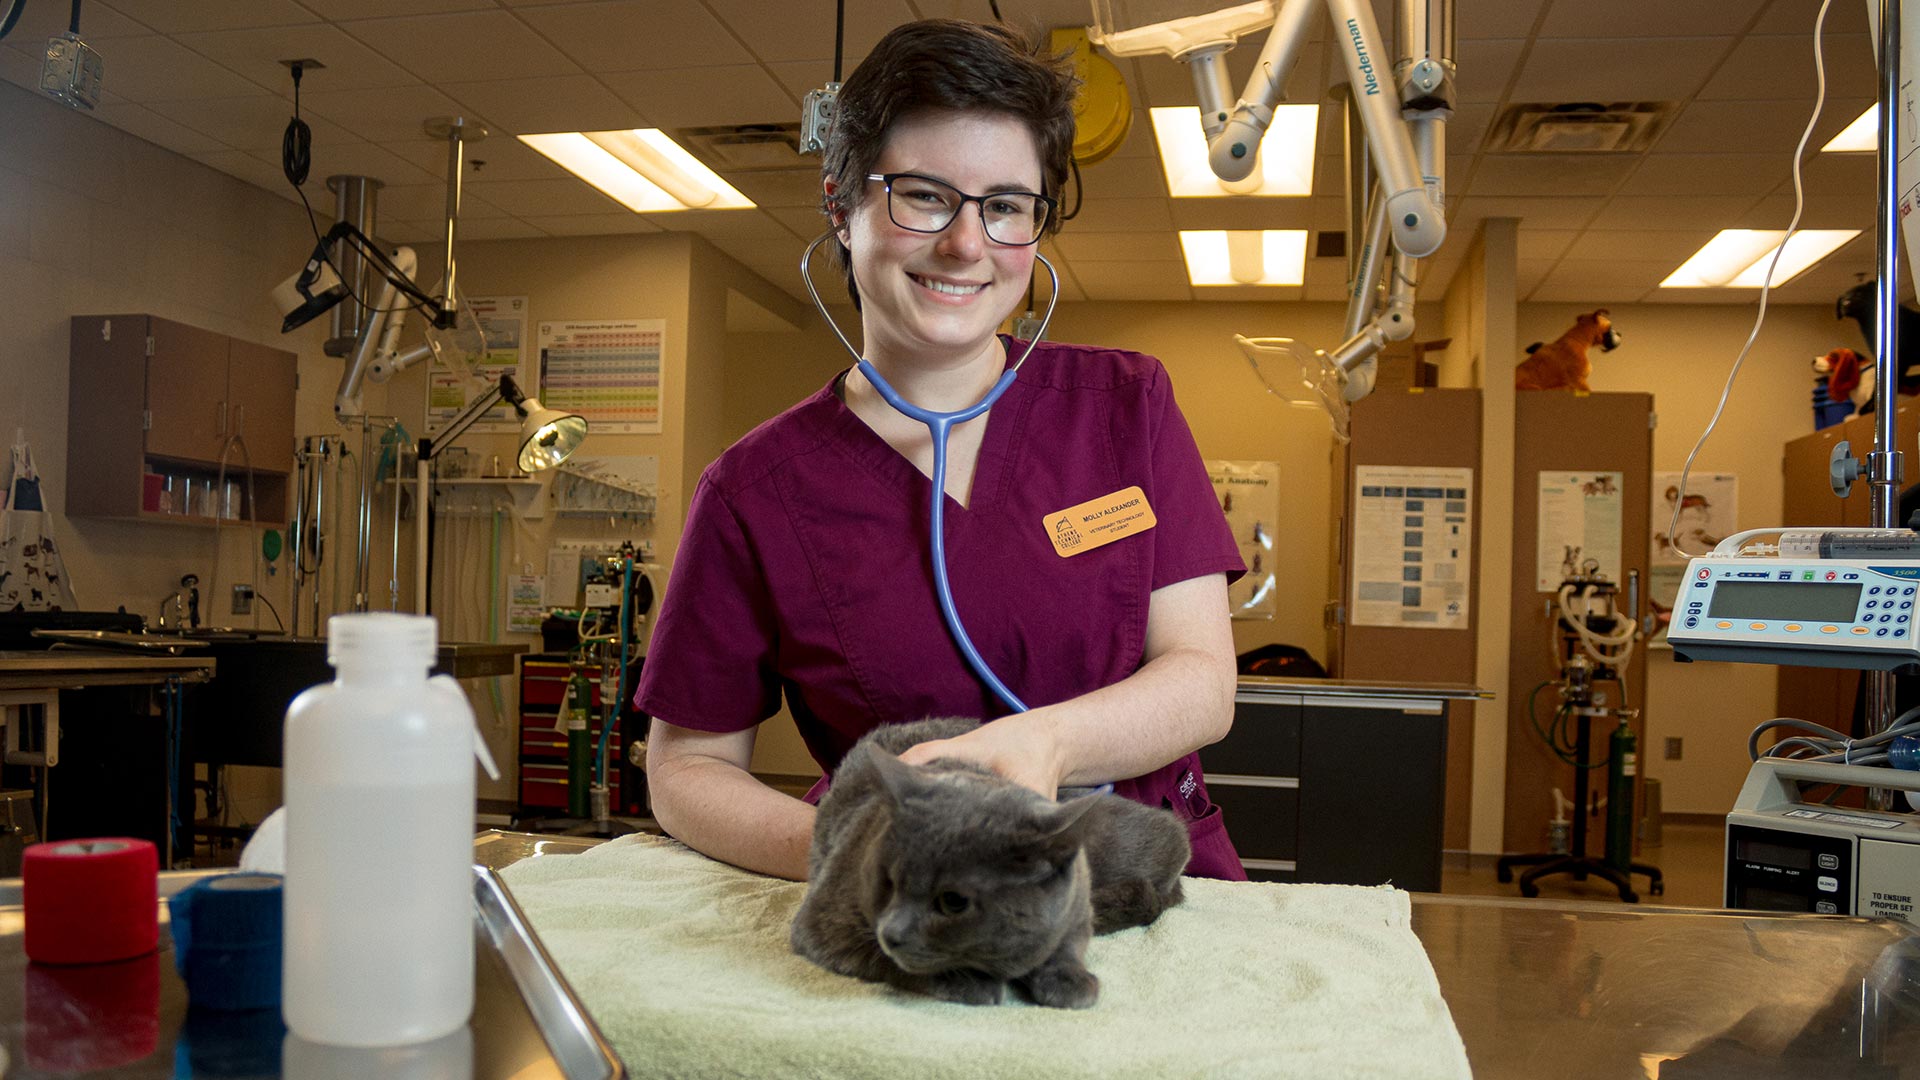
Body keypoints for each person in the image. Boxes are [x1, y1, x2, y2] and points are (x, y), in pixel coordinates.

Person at [637, 18, 1247, 882]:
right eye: (924, 195)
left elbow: (1202, 680)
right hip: (911, 910)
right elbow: (687, 767)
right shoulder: (755, 492)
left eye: (1005, 207)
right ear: (842, 207)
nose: (967, 244)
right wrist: (860, 851)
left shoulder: (1125, 405)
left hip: (1145, 888)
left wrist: (1044, 743)